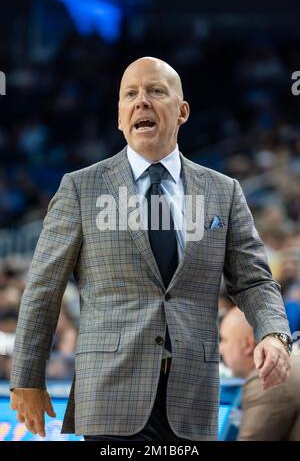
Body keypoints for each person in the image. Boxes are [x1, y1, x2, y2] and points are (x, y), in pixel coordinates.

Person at [10, 56, 292, 442]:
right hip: (110, 397)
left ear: (182, 111)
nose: (142, 101)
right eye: (131, 94)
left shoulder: (223, 191)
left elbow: (255, 281)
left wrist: (274, 334)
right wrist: (26, 378)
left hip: (193, 398)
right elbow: (43, 289)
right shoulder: (81, 188)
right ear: (120, 117)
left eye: (156, 91)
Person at [220, 307, 300, 440]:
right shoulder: (290, 359)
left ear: (248, 344)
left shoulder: (268, 374)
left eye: (224, 340)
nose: (220, 349)